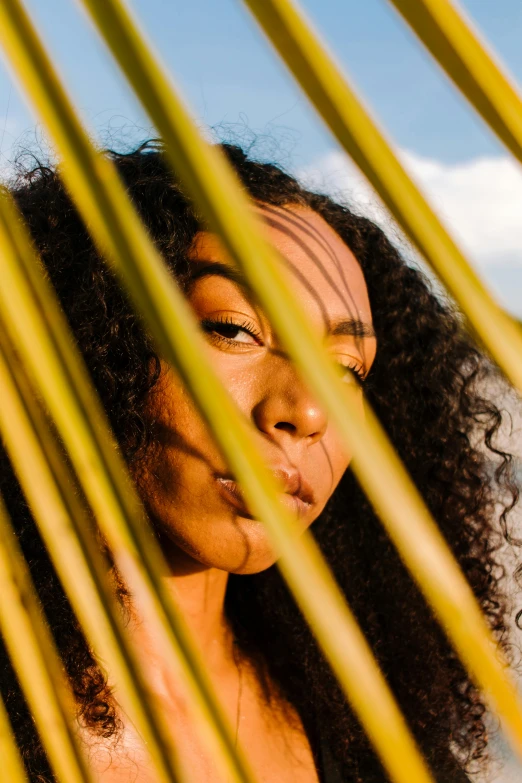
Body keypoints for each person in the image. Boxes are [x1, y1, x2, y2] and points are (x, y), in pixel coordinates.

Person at [0, 140, 518, 782]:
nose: (308, 411)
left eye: (346, 370)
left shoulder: (368, 737)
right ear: (90, 333)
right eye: (235, 330)